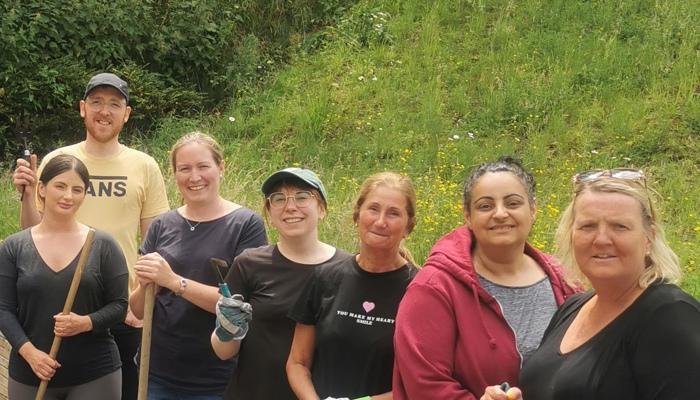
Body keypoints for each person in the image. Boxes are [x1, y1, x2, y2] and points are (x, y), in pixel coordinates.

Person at [12, 72, 170, 400]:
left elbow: (155, 242)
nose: (105, 110)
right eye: (96, 102)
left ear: (126, 114)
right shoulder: (58, 160)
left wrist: (138, 299)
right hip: (56, 308)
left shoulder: (144, 166)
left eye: (115, 103)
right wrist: (28, 194)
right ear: (83, 108)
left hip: (119, 309)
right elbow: (31, 234)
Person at [393, 155, 580, 400]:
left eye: (513, 203)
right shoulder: (434, 288)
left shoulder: (565, 282)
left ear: (532, 209)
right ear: (467, 216)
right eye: (485, 206)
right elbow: (424, 384)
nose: (500, 214)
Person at [516, 168, 700, 399]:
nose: (601, 239)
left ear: (649, 238)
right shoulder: (573, 307)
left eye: (619, 226)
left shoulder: (670, 317)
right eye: (588, 226)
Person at [129, 131, 267, 399]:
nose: (194, 177)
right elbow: (138, 309)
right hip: (155, 370)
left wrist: (173, 281)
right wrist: (150, 284)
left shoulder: (245, 225)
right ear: (174, 174)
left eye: (203, 166)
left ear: (220, 167)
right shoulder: (161, 225)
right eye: (185, 169)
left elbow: (242, 306)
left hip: (216, 377)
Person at [211, 167, 353, 399]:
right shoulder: (249, 264)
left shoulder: (348, 270)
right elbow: (223, 352)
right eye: (278, 199)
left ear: (322, 209)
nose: (290, 207)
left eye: (302, 197)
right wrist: (226, 331)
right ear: (269, 212)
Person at [0, 154, 128, 400]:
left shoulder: (102, 245)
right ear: (41, 189)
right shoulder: (14, 247)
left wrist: (85, 322)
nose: (68, 196)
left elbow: (120, 305)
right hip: (31, 373)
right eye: (60, 186)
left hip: (95, 373)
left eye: (77, 189)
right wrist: (30, 353)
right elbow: (4, 309)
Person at [286, 171, 419, 400]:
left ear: (408, 226)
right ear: (357, 216)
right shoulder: (325, 278)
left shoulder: (422, 289)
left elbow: (422, 382)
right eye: (373, 209)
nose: (380, 222)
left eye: (394, 213)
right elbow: (298, 362)